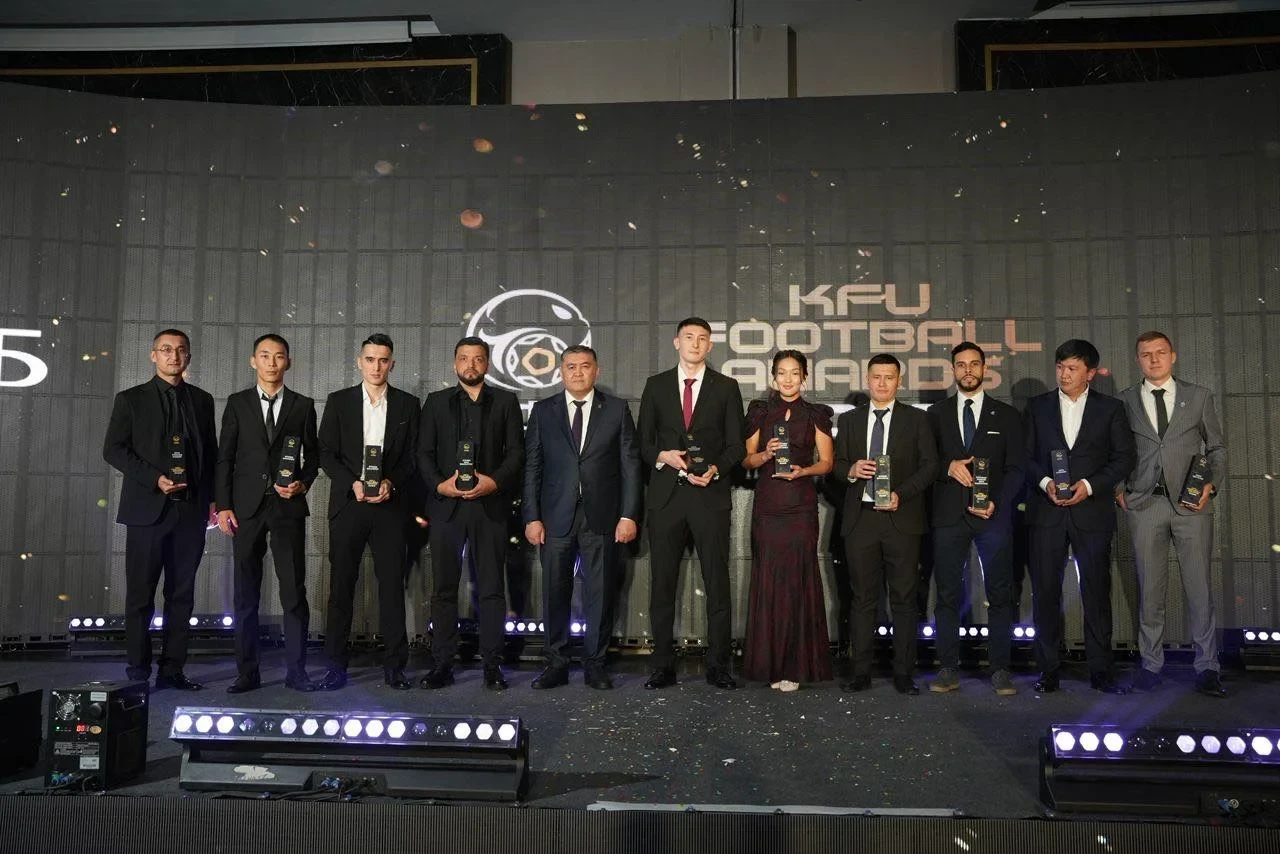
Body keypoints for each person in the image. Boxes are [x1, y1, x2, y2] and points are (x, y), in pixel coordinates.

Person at [102, 329, 217, 690]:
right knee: (140, 595)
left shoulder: (202, 400)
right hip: (146, 511)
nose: (173, 356)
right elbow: (113, 449)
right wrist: (155, 479)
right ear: (153, 355)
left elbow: (210, 454)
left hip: (191, 512)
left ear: (189, 357)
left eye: (181, 350)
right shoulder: (130, 399)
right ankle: (138, 671)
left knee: (182, 596)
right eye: (166, 350)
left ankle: (172, 670)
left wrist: (214, 500)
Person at [523, 345, 643, 690]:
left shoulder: (616, 409)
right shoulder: (543, 411)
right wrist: (531, 516)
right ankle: (556, 664)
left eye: (585, 366)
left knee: (600, 594)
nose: (578, 372)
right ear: (561, 371)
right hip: (554, 518)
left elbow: (630, 466)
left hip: (602, 516)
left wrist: (628, 515)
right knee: (554, 592)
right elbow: (533, 467)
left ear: (596, 371)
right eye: (571, 366)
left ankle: (595, 664)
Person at [637, 317, 746, 689]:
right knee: (662, 585)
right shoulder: (655, 385)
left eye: (702, 338)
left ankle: (718, 666)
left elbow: (737, 446)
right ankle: (662, 666)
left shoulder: (726, 387)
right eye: (689, 337)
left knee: (717, 583)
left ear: (710, 346)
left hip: (709, 495)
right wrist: (662, 456)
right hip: (666, 497)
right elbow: (643, 442)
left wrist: (715, 469)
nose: (695, 343)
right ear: (676, 342)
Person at [1117, 331, 1227, 698]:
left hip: (1192, 505)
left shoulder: (1199, 396)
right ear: (1137, 359)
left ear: (1173, 356)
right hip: (1145, 504)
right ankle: (1151, 665)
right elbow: (1115, 450)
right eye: (1146, 354)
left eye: (1160, 352)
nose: (1154, 359)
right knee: (1150, 590)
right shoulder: (1125, 401)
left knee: (1199, 589)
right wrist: (1119, 489)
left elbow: (1217, 447)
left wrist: (1211, 485)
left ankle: (1207, 667)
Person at [1023, 339, 1136, 694]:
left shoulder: (1111, 409)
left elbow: (1124, 458)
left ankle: (1101, 671)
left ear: (1090, 373)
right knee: (1045, 593)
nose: (1064, 374)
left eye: (1072, 368)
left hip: (1092, 513)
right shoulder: (1037, 407)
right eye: (1060, 367)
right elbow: (1024, 457)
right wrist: (1045, 483)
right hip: (1047, 513)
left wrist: (1089, 485)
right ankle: (1048, 670)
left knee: (1097, 593)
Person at [418, 336, 524, 691]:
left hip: (489, 507)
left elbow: (516, 453)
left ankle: (492, 666)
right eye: (464, 358)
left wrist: (494, 482)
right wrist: (440, 485)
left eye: (478, 359)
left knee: (491, 589)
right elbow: (423, 453)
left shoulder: (506, 401)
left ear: (487, 364)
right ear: (455, 364)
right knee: (444, 590)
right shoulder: (436, 402)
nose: (471, 365)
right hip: (447, 508)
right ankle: (442, 665)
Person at [215, 333, 319, 694]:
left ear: (288, 362)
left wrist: (302, 483)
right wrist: (223, 505)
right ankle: (247, 672)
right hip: (245, 509)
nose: (272, 363)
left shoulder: (303, 405)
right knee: (246, 594)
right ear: (253, 361)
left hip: (287, 506)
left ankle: (297, 672)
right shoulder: (237, 403)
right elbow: (225, 458)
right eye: (264, 355)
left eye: (278, 356)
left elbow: (314, 457)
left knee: (294, 592)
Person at [316, 333, 421, 691]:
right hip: (350, 504)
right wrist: (352, 483)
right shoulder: (339, 401)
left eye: (383, 360)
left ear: (392, 364)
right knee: (341, 588)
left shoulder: (408, 405)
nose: (377, 366)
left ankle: (395, 667)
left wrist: (392, 482)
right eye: (370, 359)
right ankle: (335, 667)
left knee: (391, 589)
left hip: (390, 508)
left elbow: (414, 457)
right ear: (359, 362)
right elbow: (325, 452)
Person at [832, 354, 938, 695]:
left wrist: (900, 494)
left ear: (899, 381)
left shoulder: (917, 419)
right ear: (867, 379)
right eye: (876, 376)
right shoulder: (850, 420)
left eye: (889, 377)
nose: (882, 383)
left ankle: (904, 673)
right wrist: (851, 470)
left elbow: (930, 466)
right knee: (862, 599)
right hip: (861, 519)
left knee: (904, 600)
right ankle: (860, 672)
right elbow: (836, 465)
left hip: (901, 519)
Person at [925, 343, 1025, 695]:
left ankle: (1000, 670)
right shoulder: (935, 414)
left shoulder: (1007, 415)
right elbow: (924, 463)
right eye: (961, 364)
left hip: (993, 516)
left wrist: (998, 502)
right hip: (948, 516)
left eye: (974, 364)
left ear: (985, 368)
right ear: (952, 370)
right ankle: (947, 668)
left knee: (1000, 594)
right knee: (947, 595)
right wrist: (947, 466)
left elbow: (1017, 468)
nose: (967, 370)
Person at [740, 350, 835, 691]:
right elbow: (746, 460)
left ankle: (795, 667)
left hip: (800, 506)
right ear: (774, 377)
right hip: (769, 505)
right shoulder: (760, 412)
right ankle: (770, 665)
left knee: (798, 582)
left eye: (795, 373)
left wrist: (803, 471)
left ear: (804, 377)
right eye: (782, 372)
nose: (788, 379)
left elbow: (827, 462)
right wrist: (765, 454)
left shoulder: (816, 414)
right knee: (768, 581)